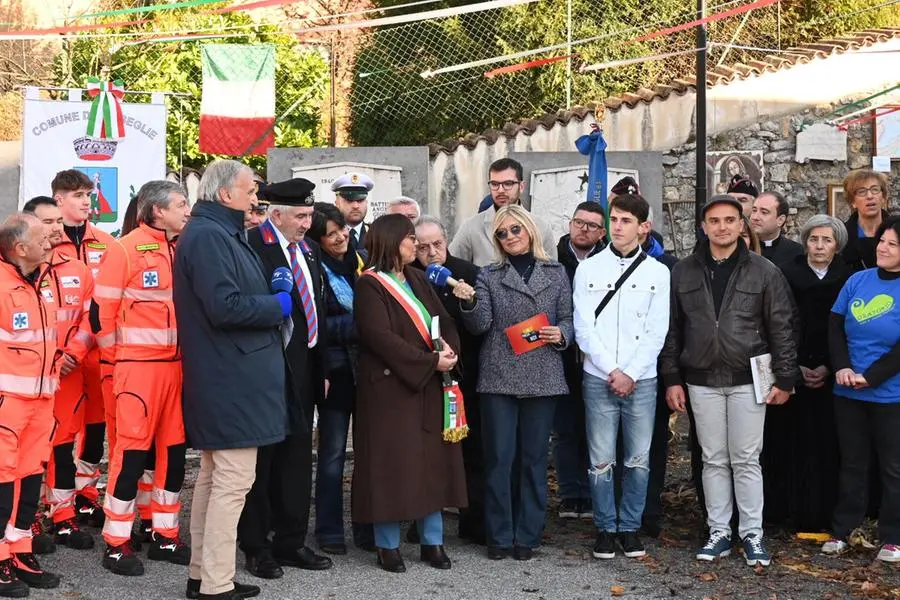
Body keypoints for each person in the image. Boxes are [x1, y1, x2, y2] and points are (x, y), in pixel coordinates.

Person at [660, 194, 796, 568]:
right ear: (704, 227)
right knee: (714, 459)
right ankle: (718, 530)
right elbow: (671, 329)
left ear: (741, 225)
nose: (721, 226)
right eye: (714, 221)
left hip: (748, 379)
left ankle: (752, 533)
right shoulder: (683, 271)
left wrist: (784, 378)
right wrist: (671, 377)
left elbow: (782, 326)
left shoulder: (764, 271)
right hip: (700, 379)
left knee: (747, 459)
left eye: (729, 220)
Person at [175, 159, 288, 600]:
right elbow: (225, 307)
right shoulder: (208, 237)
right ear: (224, 194)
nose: (255, 196)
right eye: (249, 189)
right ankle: (214, 584)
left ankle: (205, 574)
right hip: (230, 378)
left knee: (214, 477)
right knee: (231, 483)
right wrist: (278, 304)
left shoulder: (218, 233)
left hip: (230, 375)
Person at [352, 214, 466, 573]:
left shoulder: (417, 276)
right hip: (390, 389)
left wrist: (449, 351)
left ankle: (432, 542)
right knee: (392, 466)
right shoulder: (370, 285)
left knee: (432, 463)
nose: (415, 245)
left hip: (428, 382)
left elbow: (443, 319)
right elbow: (380, 338)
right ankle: (387, 545)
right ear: (389, 242)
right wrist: (430, 361)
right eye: (408, 239)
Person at [458, 205, 573, 561]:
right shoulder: (489, 275)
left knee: (534, 460)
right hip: (500, 378)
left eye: (515, 230)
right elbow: (480, 325)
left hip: (543, 376)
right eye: (502, 233)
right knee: (499, 460)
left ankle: (528, 535)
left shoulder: (556, 273)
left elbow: (569, 318)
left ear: (530, 231)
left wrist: (561, 334)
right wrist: (471, 303)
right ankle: (499, 536)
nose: (509, 237)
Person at [92, 181, 192, 577]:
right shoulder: (124, 248)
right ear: (156, 212)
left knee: (173, 455)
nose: (188, 210)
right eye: (181, 204)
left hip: (177, 367)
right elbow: (102, 313)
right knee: (131, 455)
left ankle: (164, 534)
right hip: (137, 369)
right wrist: (120, 361)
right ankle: (116, 542)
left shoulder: (182, 247)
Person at [238, 179, 333, 578]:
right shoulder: (251, 247)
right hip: (267, 370)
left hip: (306, 369)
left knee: (297, 458)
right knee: (262, 461)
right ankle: (257, 546)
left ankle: (291, 541)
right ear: (275, 214)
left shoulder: (308, 251)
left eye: (310, 215)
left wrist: (323, 369)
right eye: (300, 216)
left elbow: (319, 311)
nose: (307, 223)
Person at [573, 194, 670, 560]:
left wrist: (630, 372)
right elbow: (584, 326)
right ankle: (604, 527)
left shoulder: (658, 273)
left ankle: (629, 527)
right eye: (614, 219)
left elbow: (656, 330)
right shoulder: (588, 269)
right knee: (600, 459)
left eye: (626, 220)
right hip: (599, 376)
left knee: (638, 458)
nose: (618, 226)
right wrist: (611, 369)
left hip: (641, 379)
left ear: (644, 226)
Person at [762, 215, 851, 532]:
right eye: (814, 239)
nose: (819, 246)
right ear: (805, 242)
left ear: (837, 245)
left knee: (828, 444)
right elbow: (779, 322)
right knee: (789, 441)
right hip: (793, 369)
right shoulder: (787, 273)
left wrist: (830, 365)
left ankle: (824, 513)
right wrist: (794, 365)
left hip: (833, 371)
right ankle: (786, 510)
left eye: (827, 240)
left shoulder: (848, 277)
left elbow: (848, 328)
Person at [822, 215, 900, 563]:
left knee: (893, 467)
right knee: (852, 463)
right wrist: (842, 367)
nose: (884, 247)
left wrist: (872, 376)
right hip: (848, 391)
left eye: (894, 244)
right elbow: (835, 326)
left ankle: (892, 537)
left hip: (890, 395)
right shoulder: (858, 280)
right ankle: (842, 530)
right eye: (883, 240)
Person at [22, 197, 95, 553]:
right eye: (46, 222)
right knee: (31, 451)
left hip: (67, 374)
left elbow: (88, 318)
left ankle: (63, 516)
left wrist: (72, 355)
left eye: (57, 221)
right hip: (31, 379)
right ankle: (28, 519)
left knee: (63, 445)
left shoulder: (77, 268)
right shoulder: (16, 270)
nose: (55, 228)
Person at [413, 215, 485, 543]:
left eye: (437, 244)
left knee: (473, 451)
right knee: (425, 453)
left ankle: (474, 521)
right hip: (425, 376)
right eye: (423, 246)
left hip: (464, 377)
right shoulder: (409, 277)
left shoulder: (468, 273)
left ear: (447, 241)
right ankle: (423, 522)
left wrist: (467, 300)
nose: (431, 252)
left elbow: (482, 327)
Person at [307, 202, 373, 554]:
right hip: (335, 370)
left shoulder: (362, 259)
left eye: (342, 229)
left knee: (368, 451)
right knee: (332, 453)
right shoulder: (314, 268)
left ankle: (367, 525)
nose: (341, 237)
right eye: (331, 234)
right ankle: (329, 528)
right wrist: (358, 325)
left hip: (369, 370)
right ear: (318, 240)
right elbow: (314, 322)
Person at [0, 213, 60, 596]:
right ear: (20, 248)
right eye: (42, 237)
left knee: (29, 477)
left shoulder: (45, 277)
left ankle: (19, 549)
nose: (51, 241)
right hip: (7, 401)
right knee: (2, 482)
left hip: (42, 399)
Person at [52, 170, 115, 530]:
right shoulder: (46, 244)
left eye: (88, 195)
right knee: (61, 434)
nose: (85, 201)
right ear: (59, 199)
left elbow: (104, 305)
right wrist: (68, 352)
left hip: (96, 356)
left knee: (96, 430)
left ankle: (86, 495)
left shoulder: (107, 244)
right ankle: (57, 507)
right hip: (63, 362)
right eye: (77, 195)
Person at [554, 202, 606, 520]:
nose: (583, 229)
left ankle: (590, 491)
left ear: (602, 232)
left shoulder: (609, 261)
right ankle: (569, 492)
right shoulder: (554, 258)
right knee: (565, 428)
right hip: (560, 356)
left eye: (591, 225)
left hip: (596, 356)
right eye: (578, 222)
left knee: (594, 427)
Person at [450, 158, 557, 267]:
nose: (500, 190)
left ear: (521, 186)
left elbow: (553, 274)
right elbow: (451, 266)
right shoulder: (471, 228)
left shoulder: (541, 227)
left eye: (508, 183)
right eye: (495, 184)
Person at [841, 169, 890, 272]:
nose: (869, 196)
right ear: (852, 202)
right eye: (862, 192)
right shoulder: (842, 237)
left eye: (875, 190)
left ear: (883, 197)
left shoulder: (896, 230)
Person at [750, 191, 803, 267]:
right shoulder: (741, 247)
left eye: (764, 212)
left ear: (780, 220)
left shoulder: (796, 252)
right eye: (754, 210)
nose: (755, 217)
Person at [333, 173, 374, 252]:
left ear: (366, 202)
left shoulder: (376, 235)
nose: (355, 206)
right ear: (337, 203)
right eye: (349, 200)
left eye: (360, 200)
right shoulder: (328, 236)